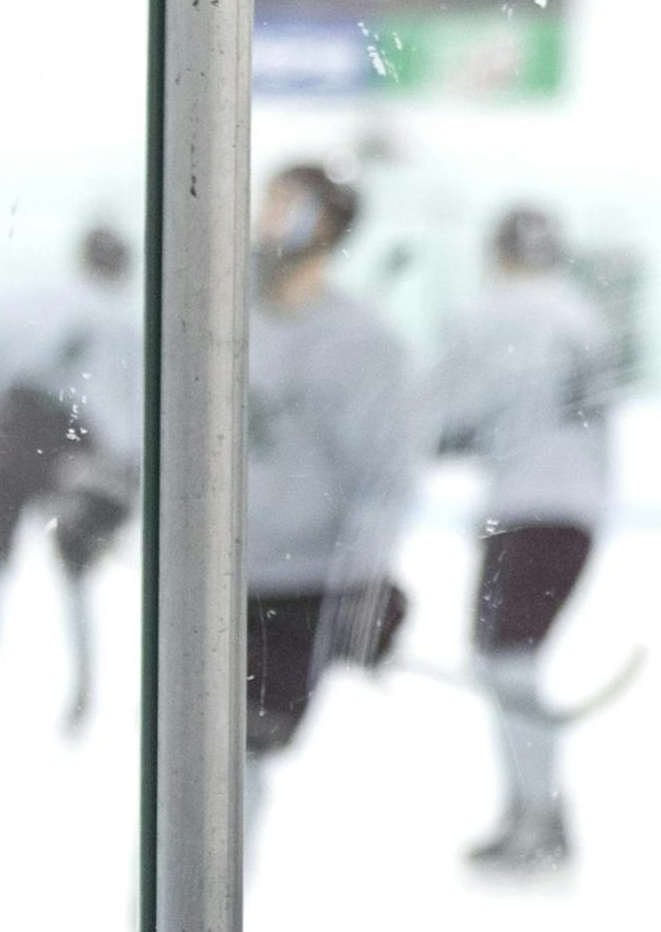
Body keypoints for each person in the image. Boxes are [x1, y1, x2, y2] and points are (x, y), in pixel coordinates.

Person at [428, 206, 617, 873]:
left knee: (507, 661)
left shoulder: (488, 317)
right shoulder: (580, 316)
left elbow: (444, 417)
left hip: (523, 508)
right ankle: (533, 808)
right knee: (507, 661)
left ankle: (538, 813)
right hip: (576, 509)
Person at [245, 163, 416, 856]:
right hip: (198, 584)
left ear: (329, 228)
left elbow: (385, 481)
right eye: (267, 203)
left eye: (288, 207)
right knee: (178, 760)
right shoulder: (209, 318)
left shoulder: (363, 345)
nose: (266, 221)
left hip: (295, 592)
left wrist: (362, 581)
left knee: (234, 760)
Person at [0, 226, 141, 735]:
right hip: (76, 450)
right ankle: (83, 689)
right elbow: (127, 416)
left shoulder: (31, 299)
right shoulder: (121, 321)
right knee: (74, 573)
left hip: (14, 436)